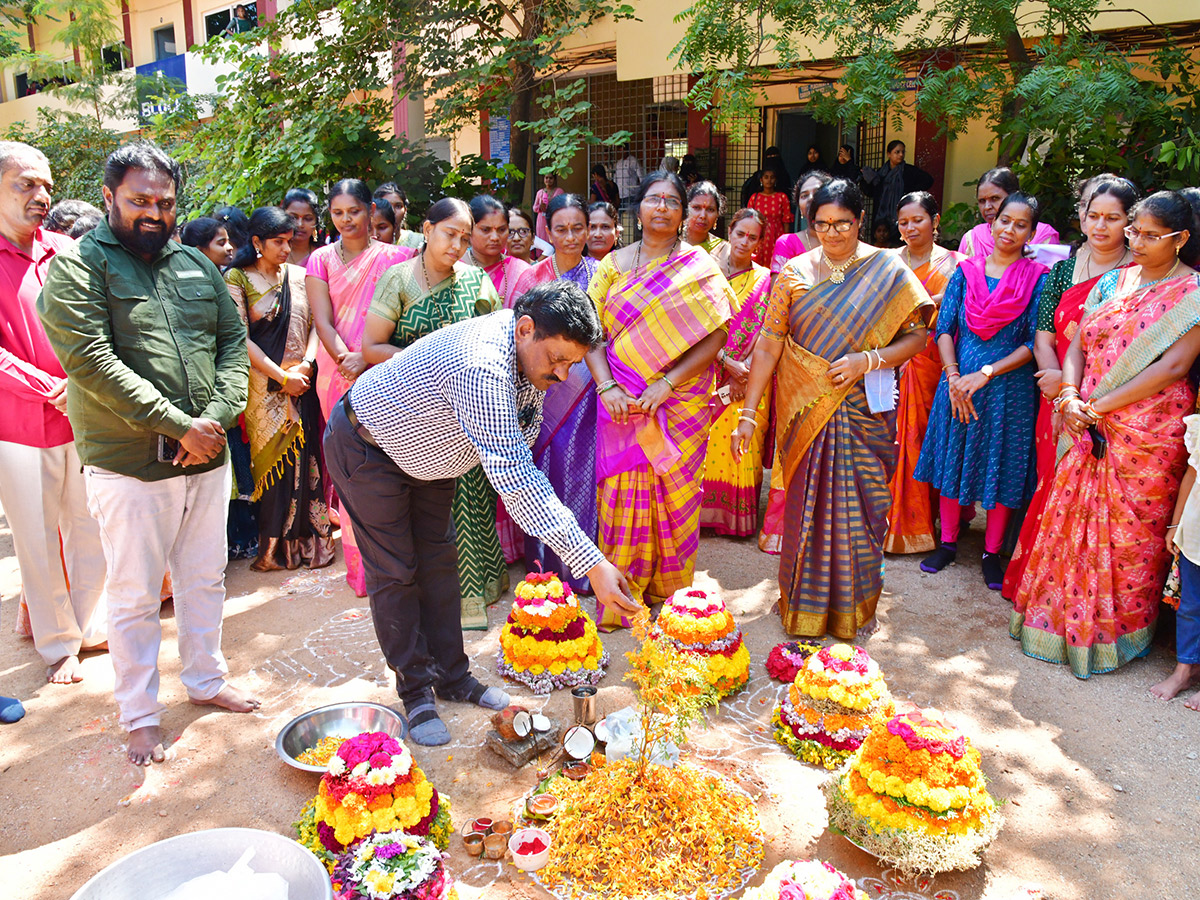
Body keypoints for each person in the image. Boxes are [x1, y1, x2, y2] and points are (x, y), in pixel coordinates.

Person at [324, 282, 639, 743]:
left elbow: (522, 443)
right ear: (526, 328)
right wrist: (591, 564)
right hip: (367, 448)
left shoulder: (528, 353)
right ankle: (416, 693)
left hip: (427, 457)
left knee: (439, 564)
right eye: (556, 360)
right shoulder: (482, 366)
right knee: (396, 572)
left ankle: (454, 678)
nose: (562, 373)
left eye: (572, 363)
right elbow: (514, 473)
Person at [39, 142, 258, 765]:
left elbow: (230, 349)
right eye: (139, 201)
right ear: (109, 197)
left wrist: (210, 422)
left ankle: (206, 681)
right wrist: (178, 425)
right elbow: (91, 363)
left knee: (205, 577)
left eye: (164, 202)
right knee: (134, 594)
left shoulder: (197, 264)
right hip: (130, 464)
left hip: (206, 455)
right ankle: (139, 713)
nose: (153, 214)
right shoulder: (78, 269)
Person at [1011, 191, 1200, 678]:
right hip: (1086, 417)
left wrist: (1095, 406)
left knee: (1128, 536)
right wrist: (1070, 395)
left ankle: (1119, 633)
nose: (1135, 240)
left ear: (1180, 239)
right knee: (1070, 522)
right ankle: (1053, 623)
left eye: (1150, 235)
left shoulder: (1193, 294)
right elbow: (1076, 343)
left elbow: (1173, 366)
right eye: (1134, 230)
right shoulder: (1112, 281)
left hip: (1146, 435)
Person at [734, 179, 929, 638]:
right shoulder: (794, 272)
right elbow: (768, 345)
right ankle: (803, 605)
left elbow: (917, 335)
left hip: (863, 408)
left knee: (859, 508)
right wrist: (747, 411)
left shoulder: (887, 269)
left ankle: (852, 609)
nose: (832, 233)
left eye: (843, 223)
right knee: (805, 507)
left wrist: (869, 360)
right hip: (805, 411)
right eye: (821, 224)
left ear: (860, 221)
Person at [586, 170, 735, 629]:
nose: (664, 208)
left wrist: (666, 383)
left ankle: (670, 597)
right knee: (620, 495)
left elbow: (716, 336)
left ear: (685, 211)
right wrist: (608, 386)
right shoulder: (612, 265)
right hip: (620, 402)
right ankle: (622, 599)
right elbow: (590, 333)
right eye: (654, 199)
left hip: (679, 401)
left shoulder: (699, 266)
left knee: (677, 496)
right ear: (638, 207)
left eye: (674, 201)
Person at [361, 198, 508, 630]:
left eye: (466, 237)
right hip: (416, 412)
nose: (458, 245)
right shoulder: (399, 280)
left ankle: (480, 586)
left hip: (469, 411)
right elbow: (371, 347)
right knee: (432, 506)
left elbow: (495, 338)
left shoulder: (477, 280)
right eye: (450, 233)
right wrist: (431, 362)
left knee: (474, 496)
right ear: (426, 229)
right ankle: (439, 594)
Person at [0, 139, 107, 700]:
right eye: (25, 184)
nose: (41, 195)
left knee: (88, 527)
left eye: (45, 184)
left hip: (82, 416)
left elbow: (97, 321)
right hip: (18, 426)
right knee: (38, 541)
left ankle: (90, 628)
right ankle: (58, 643)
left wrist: (83, 381)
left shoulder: (66, 250)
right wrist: (48, 387)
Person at [1002, 177, 1137, 599]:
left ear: (1130, 223)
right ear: (1081, 216)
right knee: (1052, 482)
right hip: (1057, 396)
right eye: (1093, 215)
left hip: (1113, 402)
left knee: (1101, 501)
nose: (1100, 225)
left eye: (1112, 218)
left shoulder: (1139, 274)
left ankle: (1085, 594)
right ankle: (1043, 586)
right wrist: (1060, 385)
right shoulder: (1062, 271)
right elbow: (1044, 337)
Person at [914, 193, 1047, 589]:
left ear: (1031, 232)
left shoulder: (1037, 279)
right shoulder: (966, 271)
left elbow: (1031, 342)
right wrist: (954, 376)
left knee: (1002, 461)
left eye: (1020, 224)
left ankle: (991, 553)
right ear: (992, 222)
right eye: (1004, 220)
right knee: (955, 458)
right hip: (957, 386)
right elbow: (944, 329)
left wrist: (987, 372)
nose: (1009, 229)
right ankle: (949, 544)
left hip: (1010, 389)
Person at [307, 178, 414, 597]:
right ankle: (362, 570)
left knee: (394, 461)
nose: (346, 220)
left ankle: (399, 561)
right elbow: (322, 320)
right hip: (338, 372)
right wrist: (346, 360)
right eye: (337, 213)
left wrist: (367, 358)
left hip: (387, 368)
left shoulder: (399, 257)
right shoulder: (320, 260)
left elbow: (406, 320)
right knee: (355, 467)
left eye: (354, 211)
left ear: (371, 210)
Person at [225, 207, 333, 572]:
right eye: (278, 242)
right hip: (264, 388)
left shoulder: (302, 277)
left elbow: (321, 324)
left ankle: (309, 543)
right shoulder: (237, 279)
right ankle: (272, 550)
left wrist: (306, 365)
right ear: (256, 242)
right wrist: (280, 376)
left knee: (309, 458)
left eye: (289, 241)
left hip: (303, 383)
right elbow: (239, 337)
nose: (287, 248)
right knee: (272, 467)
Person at [512, 194, 600, 592]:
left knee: (581, 471)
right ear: (547, 230)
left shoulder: (602, 273)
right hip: (539, 393)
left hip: (586, 395)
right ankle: (543, 568)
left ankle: (581, 568)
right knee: (541, 473)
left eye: (577, 228)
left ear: (589, 228)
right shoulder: (530, 277)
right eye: (560, 229)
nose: (570, 237)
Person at [884, 192, 964, 554]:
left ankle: (923, 524)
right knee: (887, 440)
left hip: (934, 362)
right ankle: (882, 523)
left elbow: (957, 315)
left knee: (925, 440)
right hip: (888, 360)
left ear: (935, 220)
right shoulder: (885, 262)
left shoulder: (957, 264)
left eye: (918, 219)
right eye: (904, 222)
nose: (910, 227)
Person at [701, 209, 771, 536]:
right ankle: (702, 515)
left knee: (743, 440)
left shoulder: (765, 280)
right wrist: (726, 360)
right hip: (708, 369)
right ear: (729, 232)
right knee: (707, 442)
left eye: (752, 237)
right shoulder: (707, 272)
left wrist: (747, 370)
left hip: (751, 374)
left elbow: (771, 331)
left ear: (759, 241)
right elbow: (695, 327)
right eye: (740, 233)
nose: (745, 241)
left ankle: (735, 519)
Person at [1151, 411, 1200, 707]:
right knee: (1190, 607)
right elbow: (1192, 475)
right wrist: (1175, 525)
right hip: (1196, 535)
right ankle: (1184, 671)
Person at [959, 167, 1060, 256]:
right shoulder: (972, 239)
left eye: (995, 198)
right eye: (982, 201)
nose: (987, 207)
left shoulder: (1044, 237)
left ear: (1014, 196)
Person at [466, 194, 529, 310]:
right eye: (485, 230)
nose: (495, 237)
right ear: (469, 229)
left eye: (502, 230)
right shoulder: (454, 269)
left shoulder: (522, 271)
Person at [860, 140, 935, 228]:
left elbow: (928, 180)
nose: (901, 155)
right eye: (897, 152)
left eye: (903, 152)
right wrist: (865, 179)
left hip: (902, 215)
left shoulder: (909, 171)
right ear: (889, 154)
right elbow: (871, 192)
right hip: (881, 219)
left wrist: (910, 193)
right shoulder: (881, 173)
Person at [748, 169, 791, 267]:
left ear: (775, 180)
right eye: (766, 177)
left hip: (777, 236)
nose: (769, 180)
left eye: (772, 177)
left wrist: (787, 241)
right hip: (759, 237)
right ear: (761, 180)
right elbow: (748, 220)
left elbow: (786, 221)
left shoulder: (782, 197)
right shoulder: (754, 198)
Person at [374, 182, 422, 248]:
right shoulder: (366, 242)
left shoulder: (419, 242)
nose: (393, 211)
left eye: (398, 206)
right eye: (387, 205)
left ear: (405, 210)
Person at [282, 187, 321, 267]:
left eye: (308, 219)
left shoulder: (324, 256)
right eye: (293, 217)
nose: (300, 224)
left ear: (316, 222)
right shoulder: (273, 253)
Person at [684, 181, 726, 254]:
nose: (703, 216)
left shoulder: (722, 250)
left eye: (710, 209)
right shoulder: (669, 244)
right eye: (697, 208)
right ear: (685, 210)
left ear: (717, 215)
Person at [533, 173, 564, 243]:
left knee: (553, 238)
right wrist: (540, 207)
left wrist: (549, 206)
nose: (548, 180)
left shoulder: (559, 191)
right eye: (546, 178)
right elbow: (534, 208)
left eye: (551, 178)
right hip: (541, 219)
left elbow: (561, 206)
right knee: (542, 240)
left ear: (554, 180)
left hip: (553, 218)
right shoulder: (540, 192)